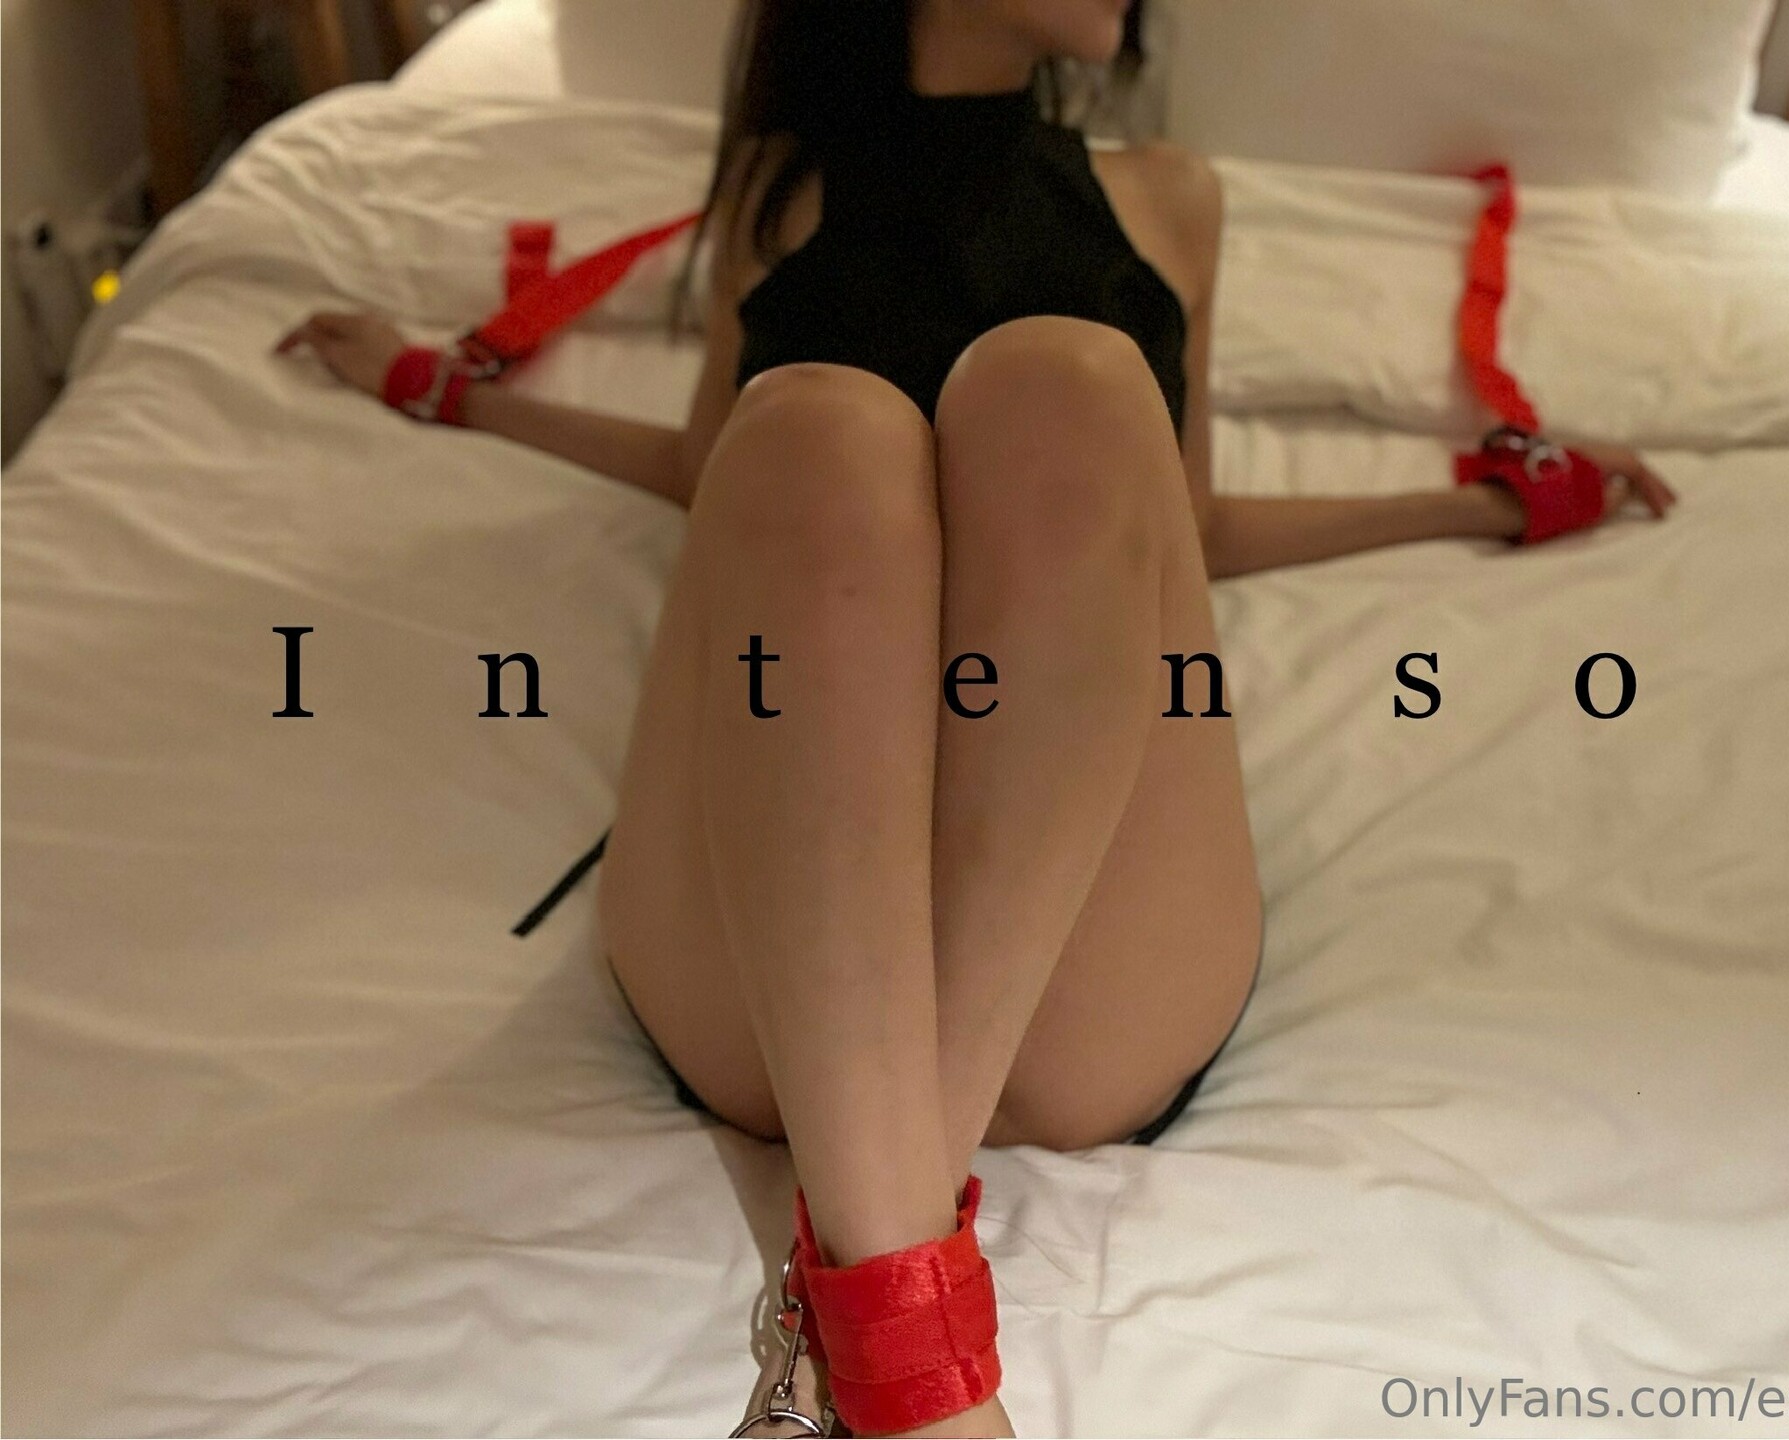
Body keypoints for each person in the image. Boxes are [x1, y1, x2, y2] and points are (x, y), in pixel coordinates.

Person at [277, 1, 1675, 1433]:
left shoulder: (1169, 197)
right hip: (780, 929)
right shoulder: (778, 194)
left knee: (1066, 383)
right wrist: (447, 391)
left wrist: (1479, 504)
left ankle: (861, 1302)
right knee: (814, 430)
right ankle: (915, 1360)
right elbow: (708, 470)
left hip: (1075, 948)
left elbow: (1183, 529)